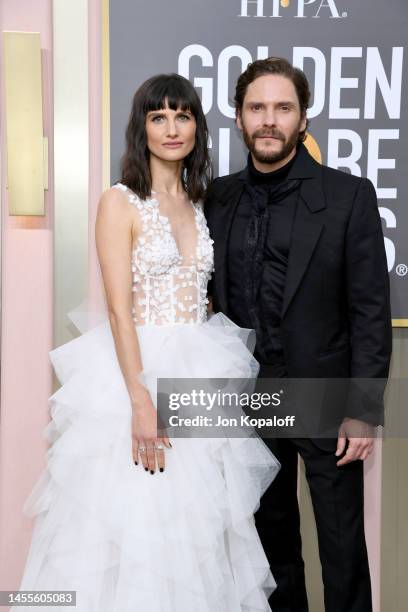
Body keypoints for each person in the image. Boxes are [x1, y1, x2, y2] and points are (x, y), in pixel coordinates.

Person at [13, 74, 280, 612]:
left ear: (197, 127)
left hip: (198, 372)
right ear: (143, 128)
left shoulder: (199, 202)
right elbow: (117, 308)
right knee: (135, 522)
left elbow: (200, 297)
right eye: (158, 117)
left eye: (182, 116)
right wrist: (141, 399)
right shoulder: (119, 202)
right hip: (138, 374)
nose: (171, 128)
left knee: (199, 526)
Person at [205, 57, 392, 612]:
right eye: (257, 107)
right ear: (238, 118)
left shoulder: (348, 195)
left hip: (327, 402)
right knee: (271, 546)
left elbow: (369, 310)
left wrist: (363, 410)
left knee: (341, 546)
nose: (269, 119)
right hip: (251, 401)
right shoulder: (217, 198)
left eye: (282, 108)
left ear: (303, 119)